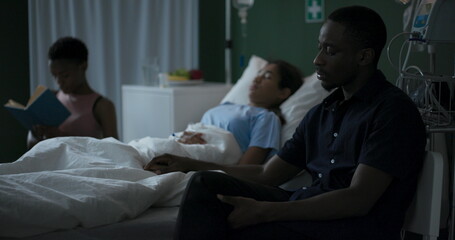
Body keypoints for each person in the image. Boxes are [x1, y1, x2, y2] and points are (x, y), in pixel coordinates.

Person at [145, 6, 427, 240]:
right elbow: (268, 174)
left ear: (364, 56)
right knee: (206, 185)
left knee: (243, 227)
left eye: (330, 51)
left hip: (353, 226)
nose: (317, 60)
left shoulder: (392, 111)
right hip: (308, 208)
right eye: (319, 48)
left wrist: (266, 210)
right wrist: (191, 164)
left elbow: (358, 199)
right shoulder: (322, 113)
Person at [146, 60, 303, 166]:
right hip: (182, 145)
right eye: (258, 74)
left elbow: (247, 168)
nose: (256, 80)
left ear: (283, 93)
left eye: (267, 77)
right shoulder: (227, 105)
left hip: (199, 159)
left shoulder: (266, 117)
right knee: (144, 150)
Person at [27, 37, 118, 149]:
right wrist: (35, 133)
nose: (59, 82)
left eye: (65, 75)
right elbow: (30, 145)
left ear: (83, 66)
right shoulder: (51, 97)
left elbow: (114, 152)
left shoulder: (102, 106)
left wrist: (61, 136)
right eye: (54, 75)